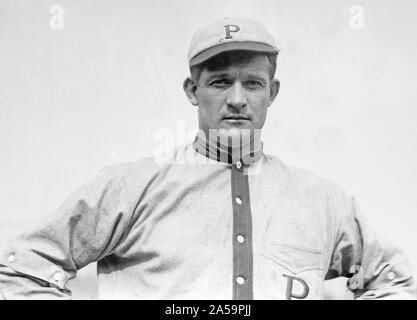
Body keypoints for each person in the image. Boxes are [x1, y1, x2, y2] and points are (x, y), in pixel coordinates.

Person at [0, 17, 415, 300]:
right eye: (219, 82)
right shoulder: (131, 187)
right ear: (192, 90)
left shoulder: (324, 201)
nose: (237, 99)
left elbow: (396, 282)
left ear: (272, 93)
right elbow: (21, 269)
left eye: (252, 83)